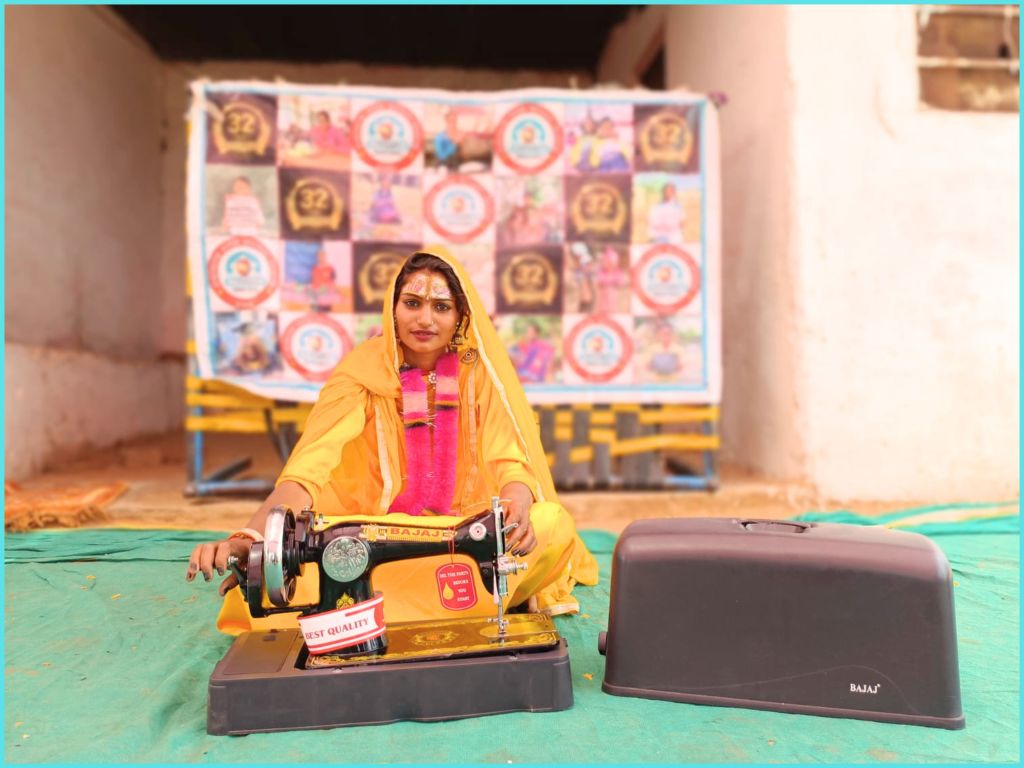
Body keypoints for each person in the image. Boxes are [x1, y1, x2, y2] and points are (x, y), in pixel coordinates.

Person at [187, 248, 598, 631]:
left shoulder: (481, 375)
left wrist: (518, 509)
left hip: (468, 526)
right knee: (310, 563)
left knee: (552, 525)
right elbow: (308, 471)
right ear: (393, 307)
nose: (425, 320)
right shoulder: (363, 372)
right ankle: (477, 599)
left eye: (441, 307)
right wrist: (251, 542)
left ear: (461, 317)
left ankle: (360, 612)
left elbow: (510, 459)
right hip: (385, 530)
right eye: (412, 303)